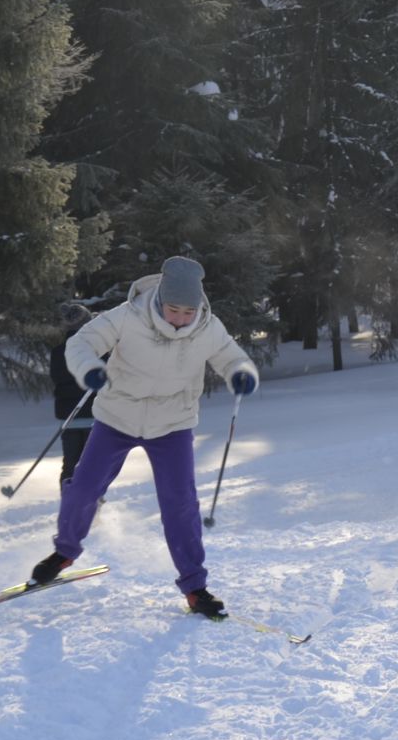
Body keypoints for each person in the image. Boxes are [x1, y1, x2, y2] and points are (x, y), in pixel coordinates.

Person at [29, 256, 258, 617]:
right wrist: (90, 368)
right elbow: (82, 343)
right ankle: (65, 551)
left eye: (188, 311)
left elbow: (230, 356)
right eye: (173, 309)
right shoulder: (128, 315)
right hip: (117, 417)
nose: (180, 319)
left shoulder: (208, 327)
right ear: (160, 300)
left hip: (173, 424)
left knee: (180, 504)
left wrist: (241, 372)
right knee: (85, 488)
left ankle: (195, 587)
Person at [48, 301, 96, 485]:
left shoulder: (58, 351)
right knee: (92, 465)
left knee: (70, 463)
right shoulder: (96, 349)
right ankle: (92, 503)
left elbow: (58, 379)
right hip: (92, 416)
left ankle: (69, 502)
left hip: (69, 418)